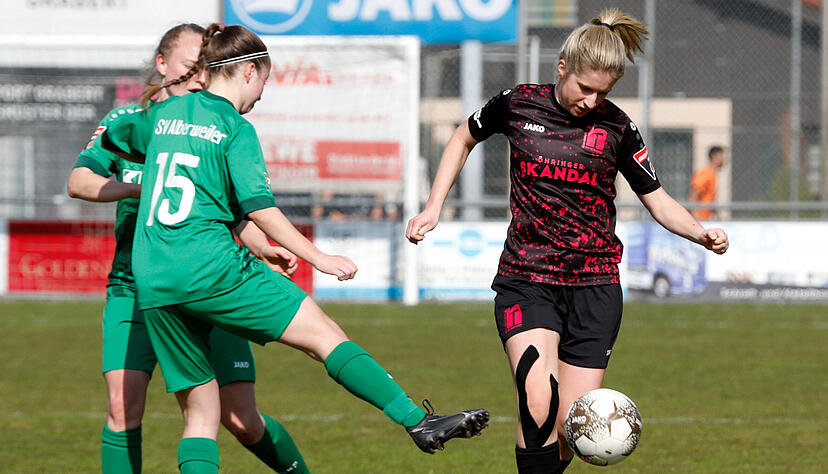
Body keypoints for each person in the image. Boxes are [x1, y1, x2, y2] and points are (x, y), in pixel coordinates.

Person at [100, 23, 489, 473]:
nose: (263, 92)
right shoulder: (234, 128)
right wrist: (319, 258)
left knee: (202, 418)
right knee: (324, 336)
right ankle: (417, 420)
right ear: (248, 71)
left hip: (154, 278)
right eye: (265, 79)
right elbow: (261, 208)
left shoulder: (165, 113)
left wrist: (260, 248)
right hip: (210, 269)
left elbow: (128, 152)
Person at [405, 9, 729, 474]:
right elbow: (462, 137)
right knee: (538, 400)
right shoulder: (518, 104)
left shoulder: (617, 128)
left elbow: (657, 199)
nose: (592, 100)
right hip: (527, 278)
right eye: (585, 88)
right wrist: (433, 206)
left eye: (604, 92)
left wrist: (700, 233)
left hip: (595, 287)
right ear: (563, 67)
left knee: (570, 430)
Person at [67, 23, 309, 474]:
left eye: (206, 66)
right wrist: (138, 189)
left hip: (208, 280)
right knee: (123, 409)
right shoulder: (131, 123)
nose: (200, 75)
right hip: (134, 287)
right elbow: (79, 181)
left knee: (242, 421)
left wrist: (262, 246)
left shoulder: (212, 127)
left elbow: (238, 208)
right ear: (162, 66)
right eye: (190, 65)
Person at [690, 145, 725, 220]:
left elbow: (709, 199)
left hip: (705, 218)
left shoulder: (713, 174)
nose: (723, 159)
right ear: (714, 156)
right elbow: (694, 193)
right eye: (722, 156)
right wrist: (695, 216)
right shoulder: (706, 173)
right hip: (699, 218)